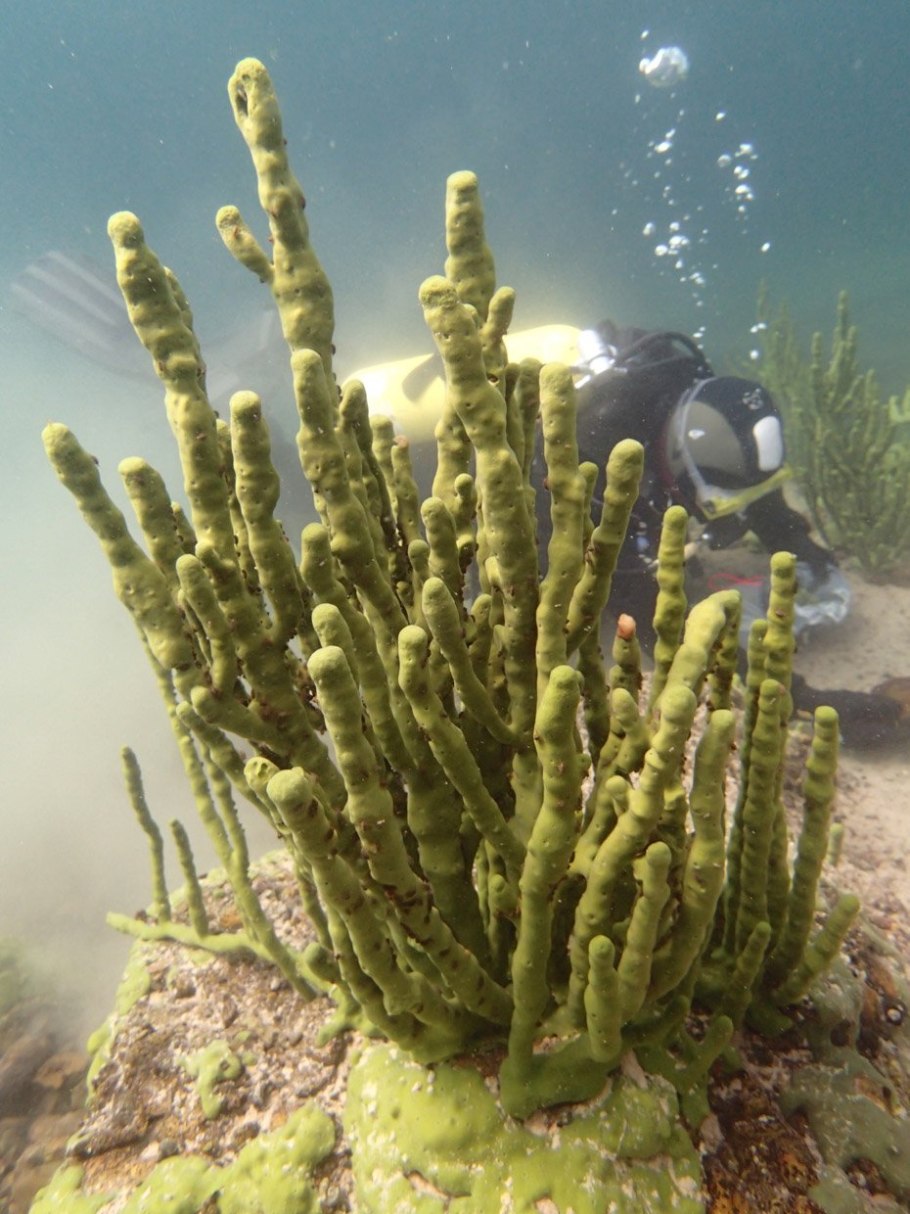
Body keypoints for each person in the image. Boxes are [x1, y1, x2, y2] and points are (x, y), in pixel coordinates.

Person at [570, 320, 903, 746]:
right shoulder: (597, 464)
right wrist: (794, 697)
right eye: (721, 505)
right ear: (678, 466)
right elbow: (645, 612)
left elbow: (761, 500)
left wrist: (802, 549)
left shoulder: (701, 408)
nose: (732, 520)